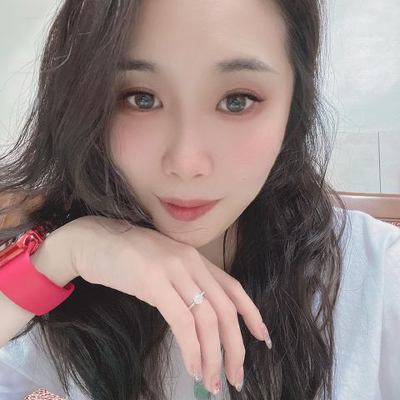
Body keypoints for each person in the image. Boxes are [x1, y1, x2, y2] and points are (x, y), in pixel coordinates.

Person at [0, 0, 398, 399]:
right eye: (140, 98)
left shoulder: (379, 274)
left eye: (237, 100)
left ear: (293, 107)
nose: (186, 163)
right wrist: (64, 255)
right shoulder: (75, 282)